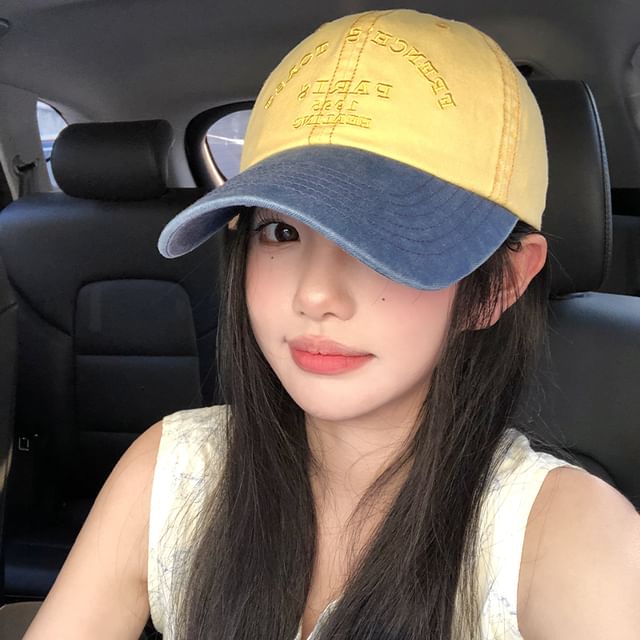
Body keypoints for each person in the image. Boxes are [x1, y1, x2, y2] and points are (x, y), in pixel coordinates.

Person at [23, 9, 640, 640]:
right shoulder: (171, 474)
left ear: (499, 285)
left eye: (382, 239)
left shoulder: (570, 538)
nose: (315, 294)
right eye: (280, 231)